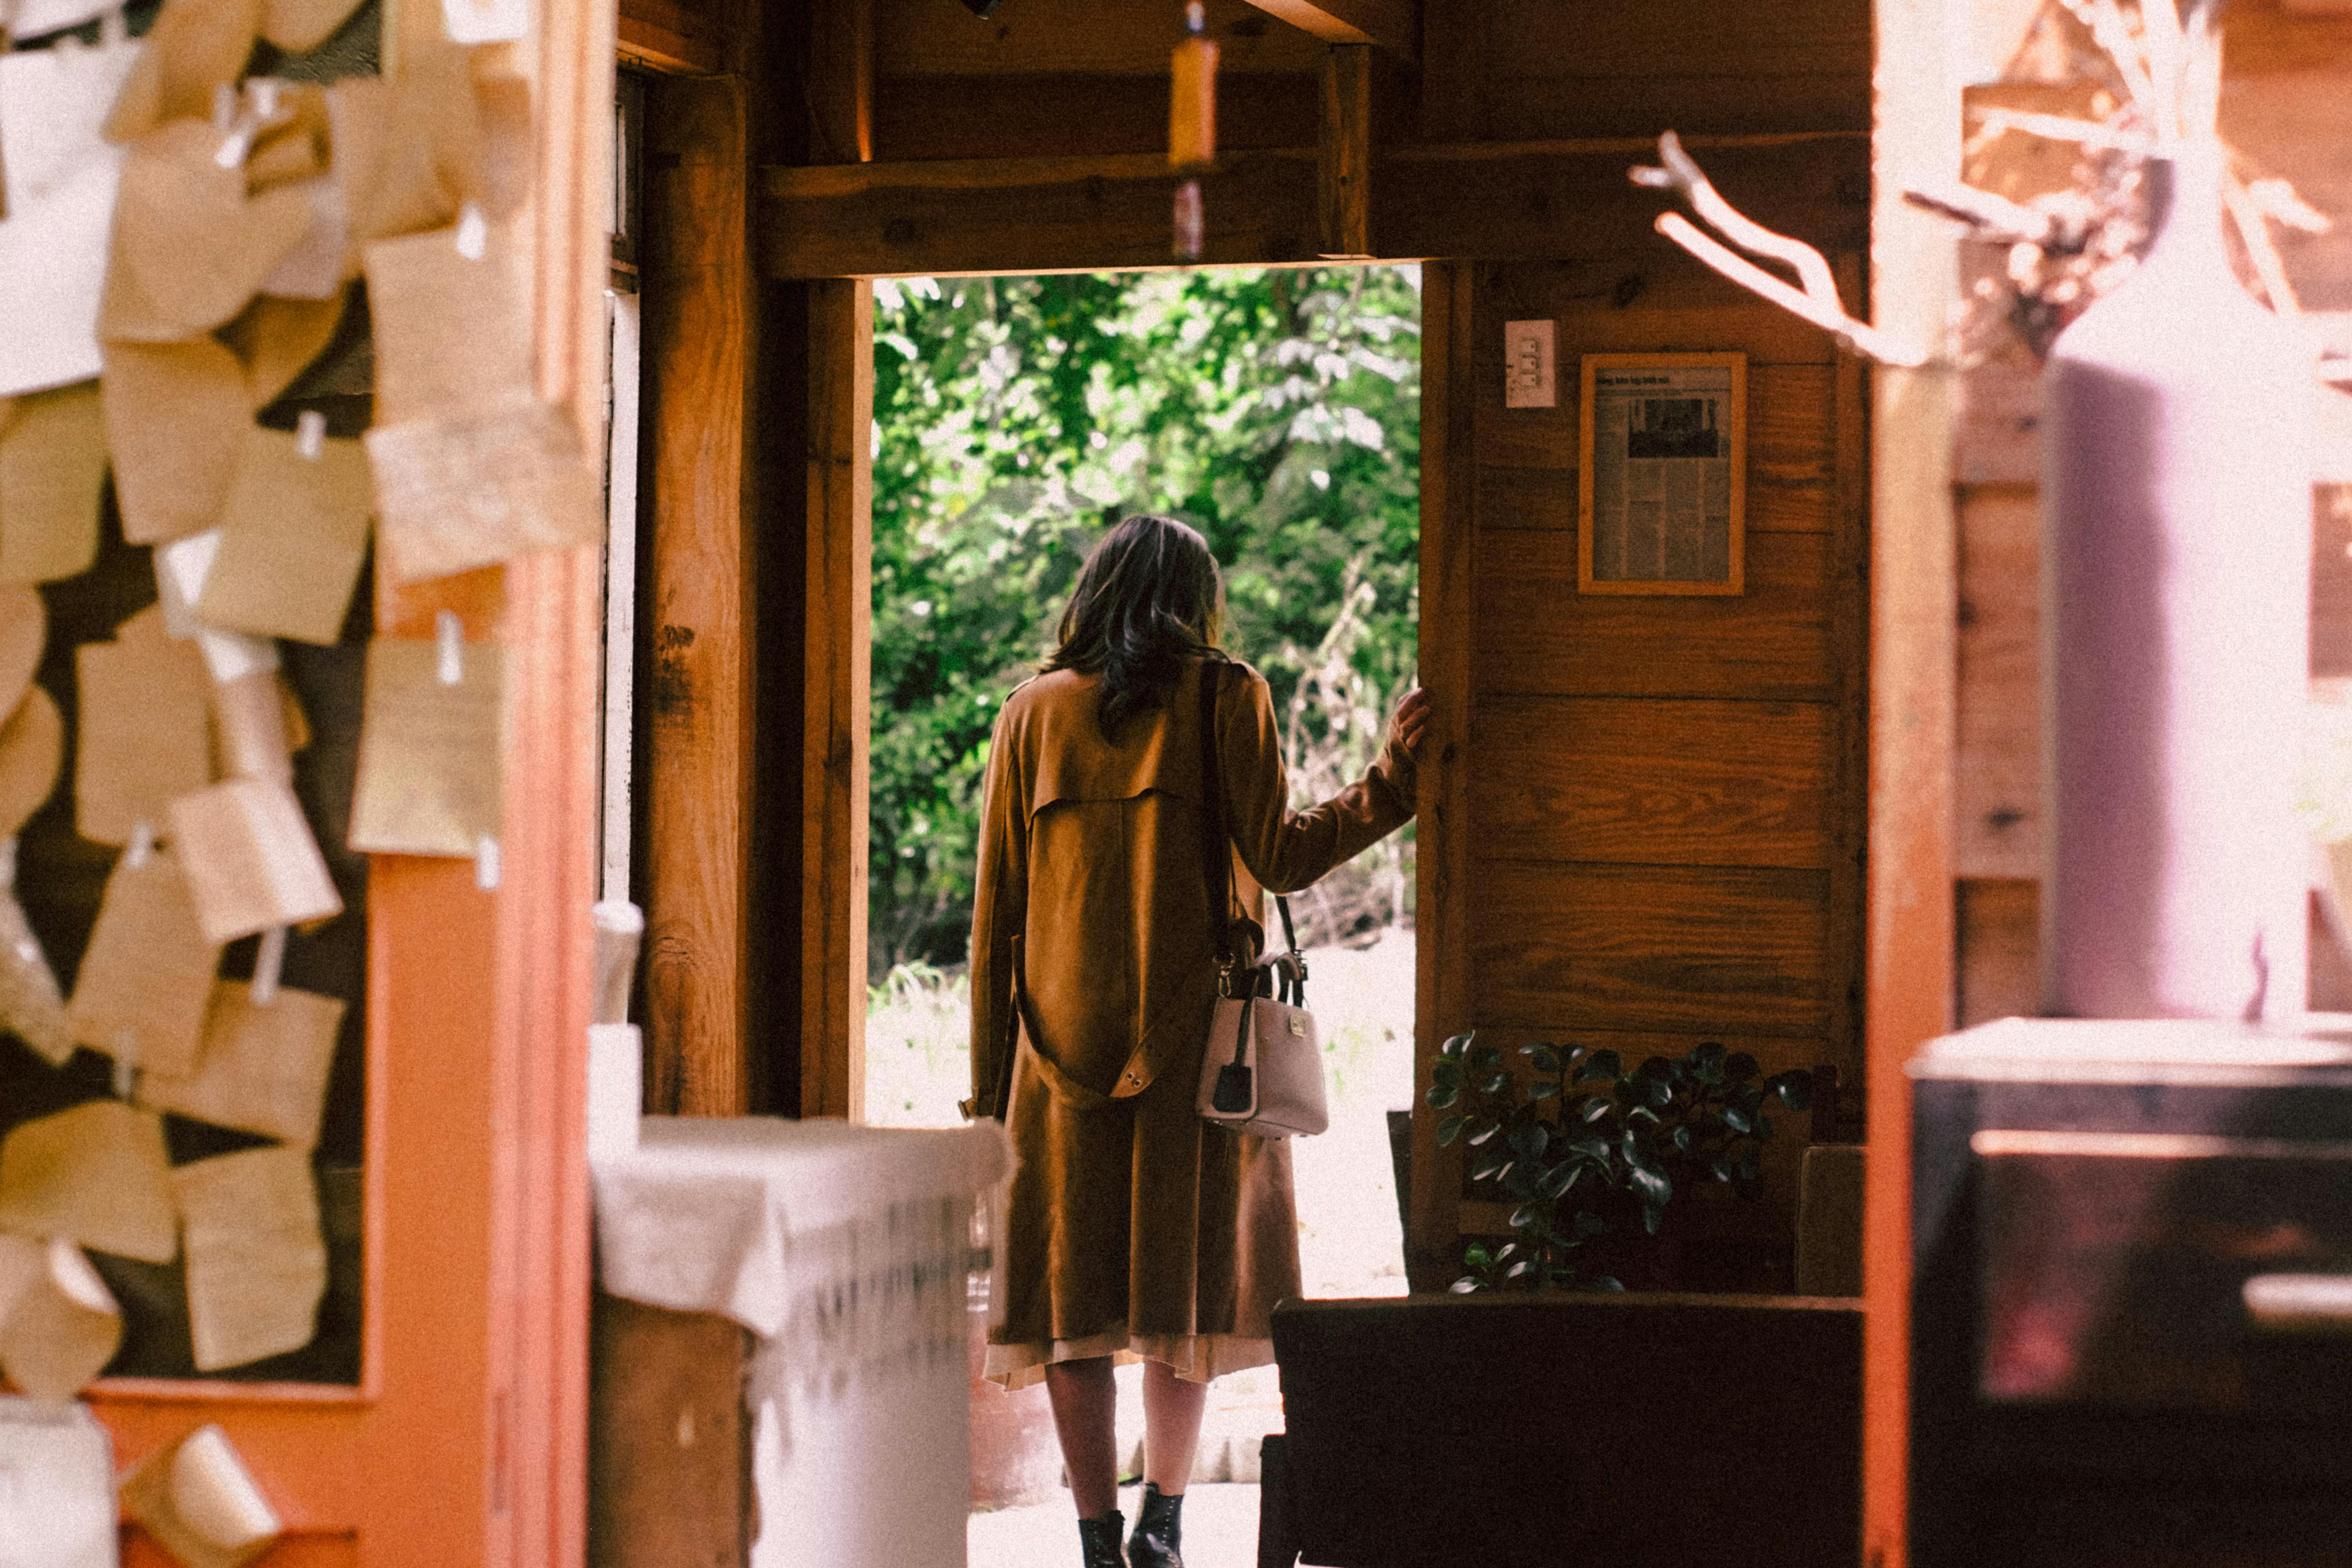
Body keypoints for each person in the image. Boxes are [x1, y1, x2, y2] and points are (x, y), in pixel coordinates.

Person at [968, 513, 1430, 1568]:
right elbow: (1283, 855)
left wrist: (987, 1095)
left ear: (1094, 595)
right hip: (1199, 1056)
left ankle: (1093, 1538)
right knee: (1184, 1294)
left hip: (1050, 1060)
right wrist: (1391, 784)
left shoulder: (1028, 715)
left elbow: (996, 920)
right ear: (1196, 601)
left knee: (1068, 1303)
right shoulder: (1228, 695)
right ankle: (1162, 1525)